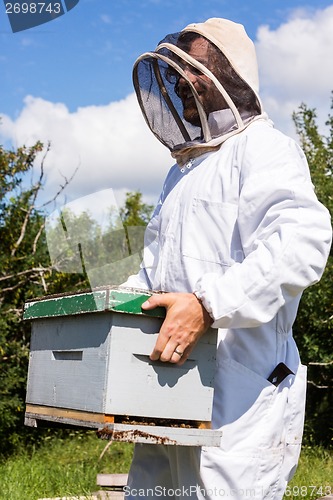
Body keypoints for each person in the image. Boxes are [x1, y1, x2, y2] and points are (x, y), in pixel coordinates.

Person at [122, 18, 332, 499]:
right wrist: (108, 314)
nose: (179, 80)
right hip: (167, 391)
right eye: (175, 71)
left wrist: (207, 304)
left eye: (193, 66)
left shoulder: (265, 148)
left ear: (228, 71)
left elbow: (302, 243)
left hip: (242, 396)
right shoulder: (181, 174)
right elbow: (154, 274)